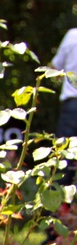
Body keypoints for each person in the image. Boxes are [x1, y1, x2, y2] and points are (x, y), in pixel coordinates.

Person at [53, 26, 77, 197]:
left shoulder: (71, 35)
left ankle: (55, 213)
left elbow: (54, 69)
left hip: (71, 106)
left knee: (62, 161)